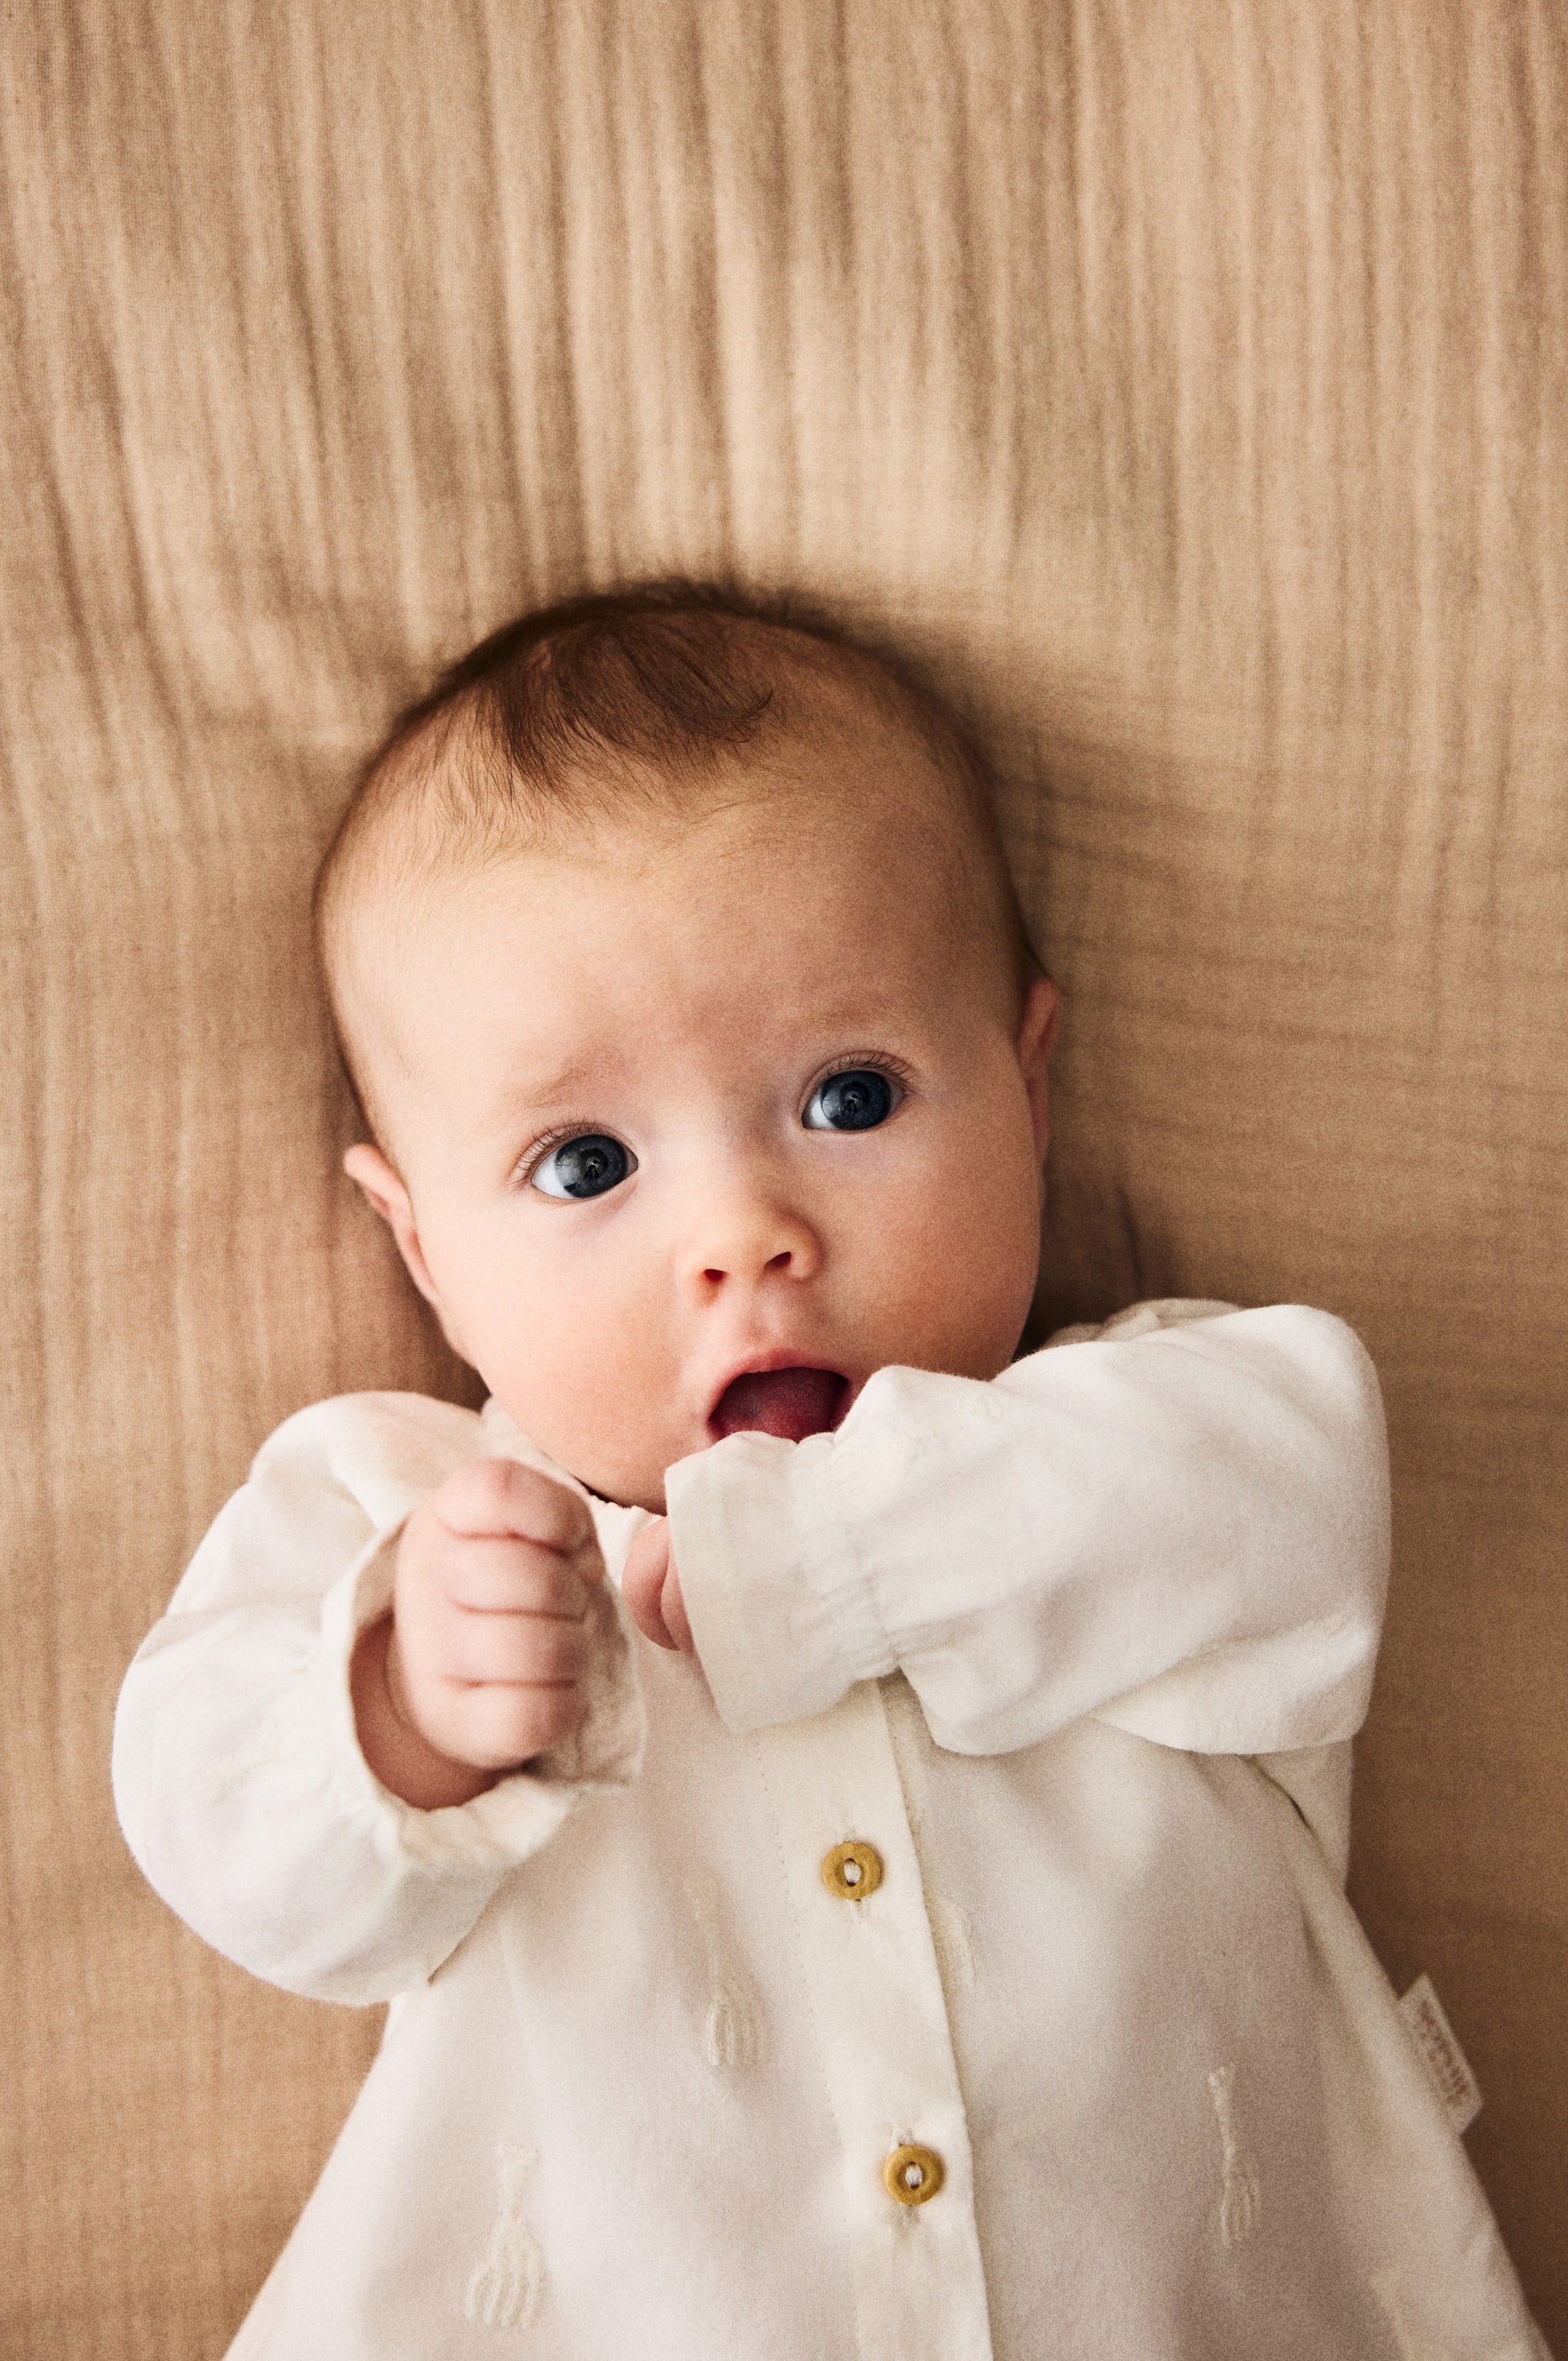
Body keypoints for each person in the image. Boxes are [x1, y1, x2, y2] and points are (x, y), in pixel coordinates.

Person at [113, 585, 1546, 2360]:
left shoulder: (1158, 1444)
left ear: (1029, 1094)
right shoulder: (401, 1518)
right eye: (584, 1163)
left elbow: (1303, 1489)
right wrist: (399, 1711)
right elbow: (225, 1830)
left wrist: (809, 1558)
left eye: (851, 1097)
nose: (744, 1230)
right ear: (426, 1253)